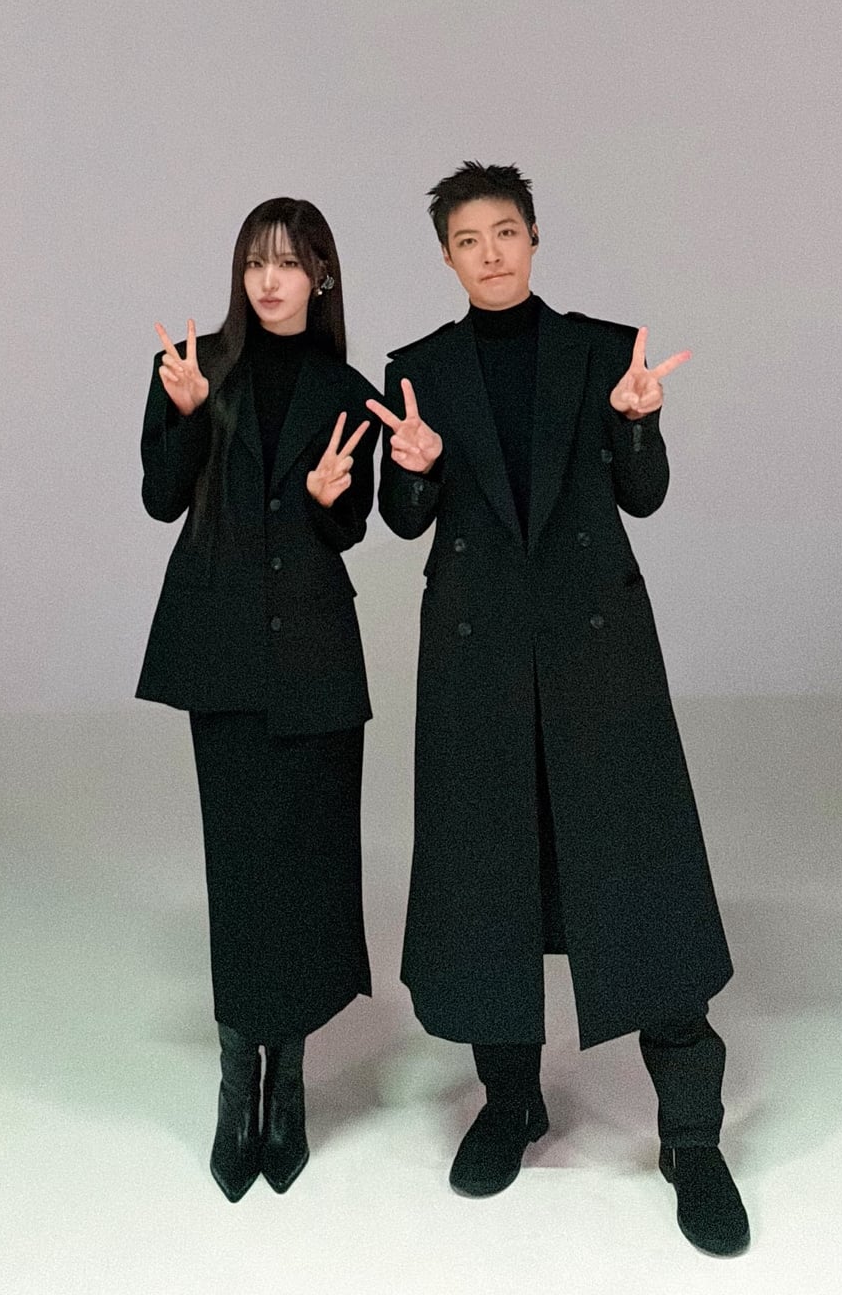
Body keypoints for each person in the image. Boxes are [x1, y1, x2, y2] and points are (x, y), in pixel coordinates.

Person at [366, 163, 749, 1256]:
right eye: (468, 240)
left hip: (596, 653)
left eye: (506, 233)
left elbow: (643, 496)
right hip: (478, 662)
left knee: (641, 871)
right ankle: (511, 1102)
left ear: (535, 238)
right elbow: (404, 518)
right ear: (446, 257)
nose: (490, 254)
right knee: (487, 883)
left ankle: (691, 1138)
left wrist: (638, 424)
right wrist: (415, 468)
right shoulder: (419, 371)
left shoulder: (603, 352)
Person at [137, 198, 379, 1202]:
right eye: (253, 263)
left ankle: (293, 1085)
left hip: (315, 653)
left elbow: (355, 525)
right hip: (225, 653)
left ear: (321, 274)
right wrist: (191, 413)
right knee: (241, 869)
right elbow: (161, 495)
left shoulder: (350, 391)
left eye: (287, 263)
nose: (268, 281)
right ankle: (240, 1084)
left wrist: (329, 502)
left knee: (309, 869)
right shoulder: (194, 366)